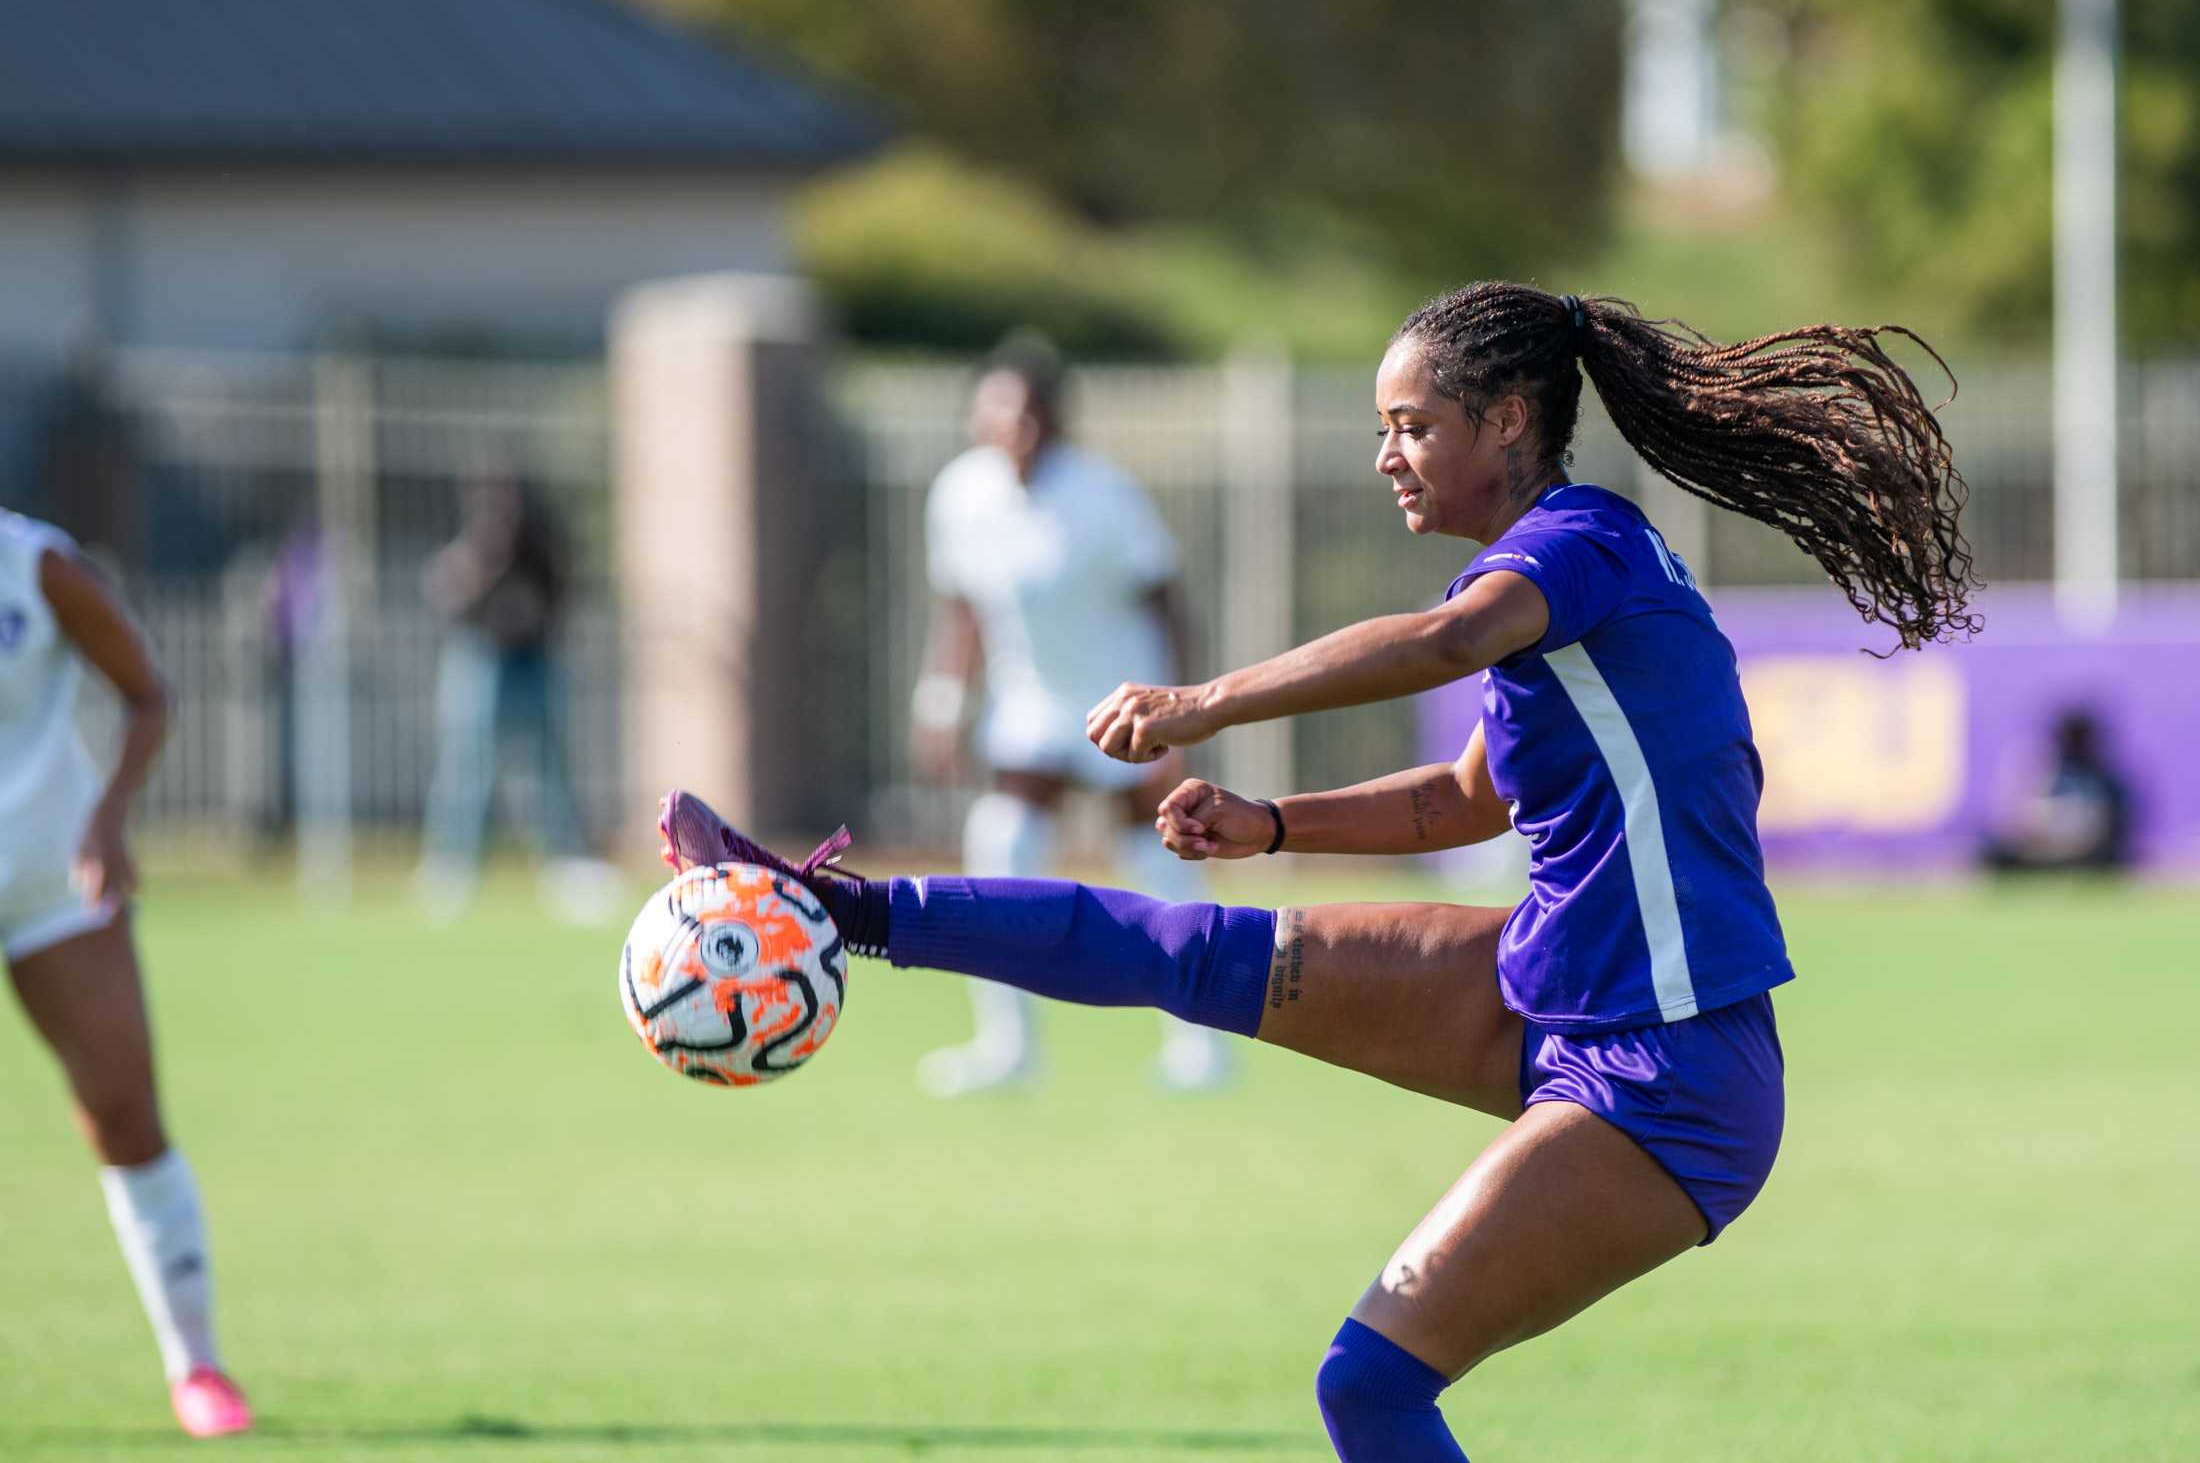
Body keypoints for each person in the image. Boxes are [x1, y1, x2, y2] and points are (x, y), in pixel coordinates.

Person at [657, 282, 1979, 1459]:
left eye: (1413, 424)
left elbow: (1438, 640)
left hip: (1672, 1073)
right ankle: (841, 908)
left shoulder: (1578, 550)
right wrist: (1269, 825)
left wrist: (1208, 699)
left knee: (1371, 1385)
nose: (1386, 454)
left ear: (1512, 418)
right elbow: (1462, 796)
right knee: (1183, 950)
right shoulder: (1558, 579)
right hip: (1552, 992)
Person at [908, 336, 1227, 1095]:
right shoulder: (959, 494)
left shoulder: (1103, 493)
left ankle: (1205, 1044)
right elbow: (962, 610)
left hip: (1124, 703)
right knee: (1001, 845)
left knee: (1159, 860)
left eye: (1022, 412)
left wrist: (1178, 712)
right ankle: (1008, 1046)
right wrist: (943, 703)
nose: (1007, 426)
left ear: (1052, 418)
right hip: (1030, 707)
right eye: (992, 410)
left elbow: (1167, 601)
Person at [0, 509, 253, 1438]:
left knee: (125, 1113)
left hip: (52, 882)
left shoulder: (36, 567)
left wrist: (109, 819)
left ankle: (199, 1367)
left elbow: (148, 693)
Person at [415, 471, 616, 921]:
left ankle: (569, 865)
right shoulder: (471, 539)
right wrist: (484, 567)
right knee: (468, 766)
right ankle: (450, 865)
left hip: (534, 659)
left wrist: (535, 613)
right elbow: (444, 594)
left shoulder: (537, 540)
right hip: (481, 660)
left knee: (549, 767)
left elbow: (564, 586)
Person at [1982, 708, 2134, 872]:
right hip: (2042, 851)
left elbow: (2117, 828)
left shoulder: (2105, 781)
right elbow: (2016, 824)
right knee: (1995, 855)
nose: (2075, 746)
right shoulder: (2043, 774)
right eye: (2071, 739)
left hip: (2086, 855)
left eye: (2080, 740)